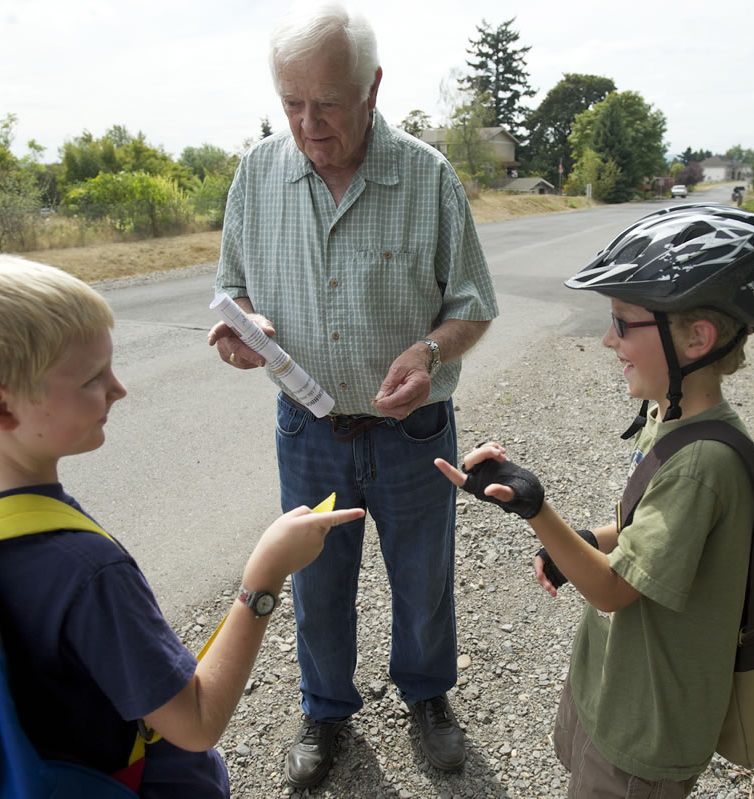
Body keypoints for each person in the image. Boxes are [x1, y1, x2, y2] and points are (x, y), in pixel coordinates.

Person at [0, 250, 364, 798]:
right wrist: (266, 575)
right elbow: (197, 722)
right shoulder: (85, 571)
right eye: (93, 377)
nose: (119, 388)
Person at [205, 1, 498, 789]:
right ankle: (326, 710)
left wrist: (431, 349)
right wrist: (246, 329)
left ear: (372, 88)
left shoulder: (427, 176)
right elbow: (231, 289)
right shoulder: (257, 174)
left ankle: (429, 699)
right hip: (307, 428)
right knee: (316, 580)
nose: (308, 124)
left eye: (327, 103)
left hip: (413, 430)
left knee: (422, 575)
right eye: (291, 103)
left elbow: (473, 302)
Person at [435, 205, 754, 798]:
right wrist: (582, 541)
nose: (607, 339)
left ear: (697, 339)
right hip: (617, 682)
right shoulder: (672, 416)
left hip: (649, 724)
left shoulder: (706, 463)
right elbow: (640, 534)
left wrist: (537, 510)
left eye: (623, 324)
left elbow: (610, 589)